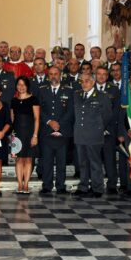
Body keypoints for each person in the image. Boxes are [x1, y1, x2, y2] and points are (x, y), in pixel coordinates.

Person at [73, 74, 115, 198]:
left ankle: (97, 188)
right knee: (82, 163)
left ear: (93, 82)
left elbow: (107, 115)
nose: (83, 84)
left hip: (94, 135)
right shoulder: (77, 95)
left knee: (95, 162)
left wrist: (98, 128)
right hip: (80, 134)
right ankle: (83, 186)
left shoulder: (102, 97)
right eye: (82, 81)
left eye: (86, 81)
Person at [38, 66, 74, 195]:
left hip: (63, 131)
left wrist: (59, 123)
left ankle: (60, 186)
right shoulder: (42, 90)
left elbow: (71, 111)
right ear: (48, 76)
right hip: (46, 131)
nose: (53, 76)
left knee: (61, 161)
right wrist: (50, 122)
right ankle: (46, 185)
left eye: (56, 74)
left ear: (61, 75)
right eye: (51, 74)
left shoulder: (69, 91)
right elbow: (39, 109)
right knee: (47, 160)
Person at [10, 77, 39, 194]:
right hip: (17, 133)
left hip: (30, 132)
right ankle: (20, 185)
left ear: (27, 86)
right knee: (18, 160)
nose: (21, 87)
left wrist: (35, 135)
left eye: (23, 85)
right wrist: (12, 135)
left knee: (28, 159)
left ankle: (26, 185)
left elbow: (37, 118)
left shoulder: (33, 99)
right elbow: (12, 119)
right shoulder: (14, 100)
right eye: (19, 85)